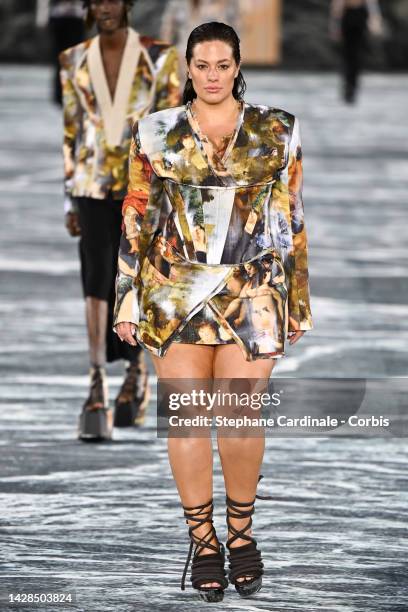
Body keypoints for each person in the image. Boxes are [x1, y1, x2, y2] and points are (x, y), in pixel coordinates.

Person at [114, 21, 312, 601]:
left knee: (241, 416)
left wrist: (296, 300)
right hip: (173, 290)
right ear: (188, 69)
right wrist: (127, 295)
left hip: (253, 290)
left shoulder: (276, 131)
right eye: (201, 66)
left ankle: (242, 534)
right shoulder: (155, 134)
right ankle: (203, 542)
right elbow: (137, 214)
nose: (212, 76)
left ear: (237, 66)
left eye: (222, 66)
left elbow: (291, 220)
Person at [59, 0, 180, 441]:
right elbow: (72, 129)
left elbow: (171, 126)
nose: (104, 7)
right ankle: (95, 386)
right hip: (90, 185)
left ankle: (135, 371)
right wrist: (67, 200)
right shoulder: (73, 59)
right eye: (97, 0)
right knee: (94, 278)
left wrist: (170, 195)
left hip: (142, 186)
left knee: (135, 277)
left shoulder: (160, 56)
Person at [329, 0, 384, 103]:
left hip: (360, 17)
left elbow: (371, 5)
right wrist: (335, 26)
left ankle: (352, 86)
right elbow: (337, 7)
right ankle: (348, 85)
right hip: (347, 17)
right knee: (348, 55)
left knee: (356, 55)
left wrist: (375, 21)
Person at [36, 0, 86, 105]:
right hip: (59, 17)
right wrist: (42, 17)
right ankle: (60, 94)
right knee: (60, 58)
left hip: (76, 17)